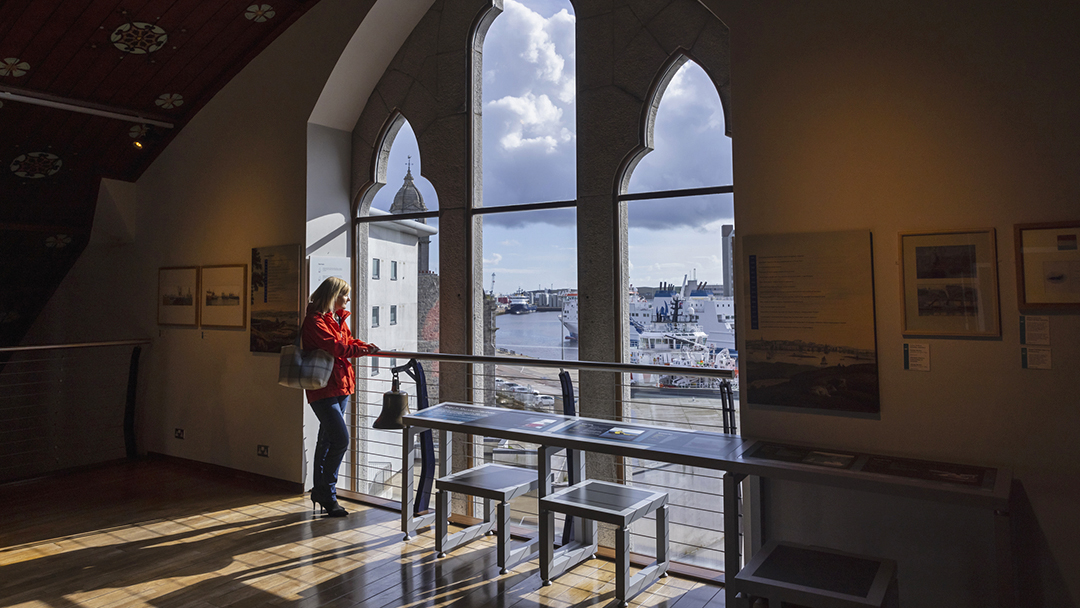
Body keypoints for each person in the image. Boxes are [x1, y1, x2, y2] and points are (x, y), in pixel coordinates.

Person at [302, 276, 379, 517]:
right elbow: (337, 348)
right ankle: (327, 491)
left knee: (326, 440)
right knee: (340, 439)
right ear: (333, 295)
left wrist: (365, 345)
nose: (348, 299)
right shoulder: (314, 321)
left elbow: (346, 341)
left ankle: (321, 491)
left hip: (340, 385)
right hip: (323, 387)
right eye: (345, 294)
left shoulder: (336, 319)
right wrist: (364, 350)